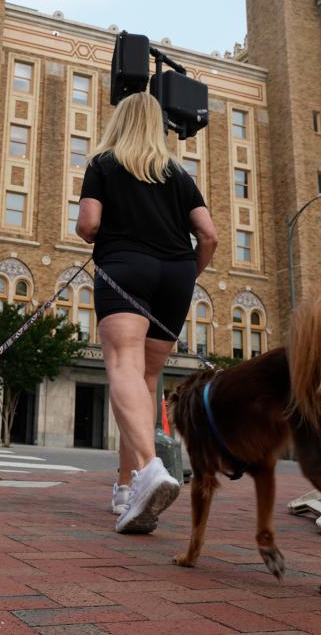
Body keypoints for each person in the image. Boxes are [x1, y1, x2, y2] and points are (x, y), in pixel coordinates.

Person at [76, 93, 218, 533]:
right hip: (176, 276)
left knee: (121, 365)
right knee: (144, 382)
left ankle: (151, 467)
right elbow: (209, 235)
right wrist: (187, 276)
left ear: (119, 122)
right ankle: (126, 485)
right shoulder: (177, 173)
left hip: (125, 269)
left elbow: (89, 225)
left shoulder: (103, 163)